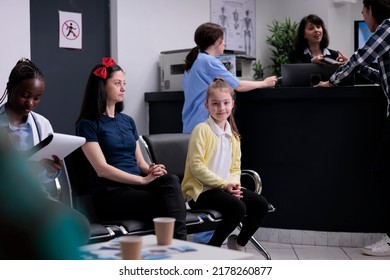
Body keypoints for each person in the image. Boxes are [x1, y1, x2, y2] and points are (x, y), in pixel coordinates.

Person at [75, 57, 187, 240]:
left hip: (134, 189)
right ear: (102, 86)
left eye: (124, 83)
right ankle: (180, 248)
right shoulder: (87, 124)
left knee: (170, 180)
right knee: (164, 202)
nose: (123, 88)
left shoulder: (127, 121)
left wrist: (151, 170)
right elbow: (102, 169)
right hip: (111, 195)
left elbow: (141, 162)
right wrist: (143, 181)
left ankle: (178, 246)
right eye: (117, 83)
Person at [316, 0, 390, 256]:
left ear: (372, 11)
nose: (362, 14)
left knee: (382, 172)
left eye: (363, 10)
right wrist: (344, 67)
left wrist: (334, 80)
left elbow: (361, 57)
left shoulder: (388, 28)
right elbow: (380, 76)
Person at [0, 59, 88, 259]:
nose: (30, 103)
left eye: (37, 98)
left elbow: (46, 181)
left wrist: (50, 170)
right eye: (25, 95)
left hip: (36, 198)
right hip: (4, 201)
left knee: (78, 224)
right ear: (11, 88)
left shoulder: (42, 124)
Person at [181, 77, 269, 250]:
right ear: (207, 106)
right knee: (238, 208)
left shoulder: (234, 136)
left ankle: (238, 243)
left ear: (232, 104)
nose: (221, 108)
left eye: (226, 103)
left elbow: (235, 168)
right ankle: (213, 249)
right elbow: (197, 167)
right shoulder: (202, 130)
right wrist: (224, 185)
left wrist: (234, 185)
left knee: (261, 205)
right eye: (215, 104)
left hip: (225, 189)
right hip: (202, 193)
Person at [182, 22, 277, 134]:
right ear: (218, 41)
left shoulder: (195, 60)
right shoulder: (208, 61)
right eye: (223, 40)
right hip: (203, 125)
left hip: (190, 124)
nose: (224, 43)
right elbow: (239, 86)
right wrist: (264, 83)